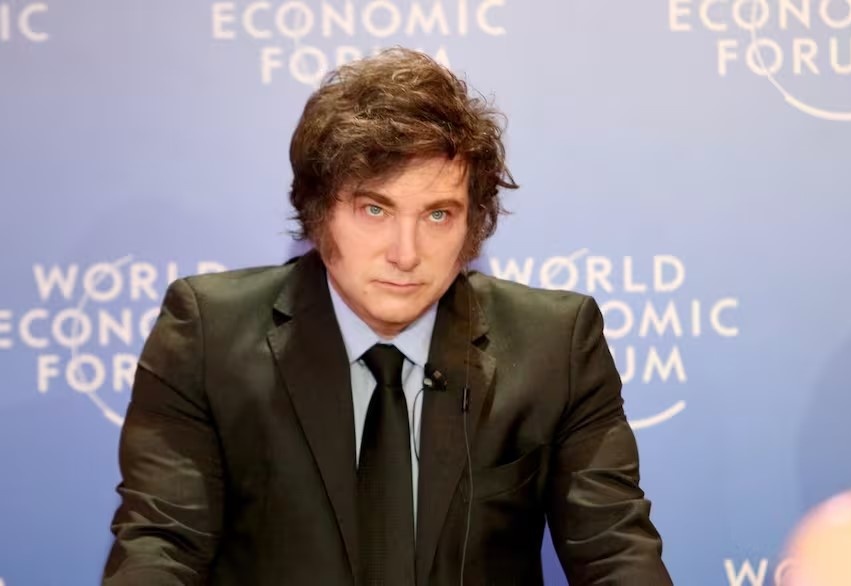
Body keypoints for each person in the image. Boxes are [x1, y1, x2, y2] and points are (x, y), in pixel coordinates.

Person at [102, 47, 672, 585]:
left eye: (439, 215)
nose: (406, 252)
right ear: (320, 212)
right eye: (375, 209)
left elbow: (615, 551)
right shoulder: (209, 336)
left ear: (471, 226)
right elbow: (161, 545)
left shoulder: (556, 345)